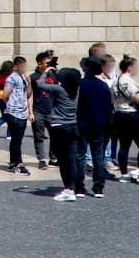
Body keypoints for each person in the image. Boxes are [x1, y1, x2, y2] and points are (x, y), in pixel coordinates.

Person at [111, 56, 139, 182]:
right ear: (129, 67)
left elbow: (112, 98)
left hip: (119, 113)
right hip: (130, 114)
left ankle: (124, 174)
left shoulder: (115, 80)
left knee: (124, 145)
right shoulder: (128, 81)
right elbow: (137, 98)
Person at [43, 63, 82, 200]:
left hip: (58, 127)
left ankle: (68, 189)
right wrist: (56, 71)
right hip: (72, 126)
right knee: (71, 159)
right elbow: (68, 77)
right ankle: (73, 188)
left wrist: (46, 72)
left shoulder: (59, 90)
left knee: (62, 160)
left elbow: (41, 84)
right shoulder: (76, 89)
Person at [76, 55, 114, 197]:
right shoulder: (103, 86)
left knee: (80, 155)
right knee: (98, 155)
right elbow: (108, 108)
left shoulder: (81, 85)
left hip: (82, 123)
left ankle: (79, 186)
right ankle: (98, 187)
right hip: (99, 124)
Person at [1, 55, 31, 175]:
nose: (24, 68)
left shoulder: (23, 78)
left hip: (22, 112)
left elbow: (28, 94)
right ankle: (18, 163)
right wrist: (11, 104)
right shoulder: (11, 78)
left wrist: (29, 82)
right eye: (22, 66)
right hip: (13, 113)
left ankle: (13, 162)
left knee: (17, 139)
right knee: (16, 139)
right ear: (15, 67)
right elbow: (5, 95)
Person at [30, 51, 57, 168]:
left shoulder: (53, 75)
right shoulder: (33, 77)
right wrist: (30, 112)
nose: (48, 65)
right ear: (39, 63)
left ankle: (53, 158)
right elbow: (29, 95)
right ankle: (41, 159)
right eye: (47, 63)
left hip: (52, 110)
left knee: (55, 135)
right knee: (39, 136)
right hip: (38, 110)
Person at [0, 58, 15, 138]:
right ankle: (7, 133)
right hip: (7, 97)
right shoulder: (10, 77)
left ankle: (8, 134)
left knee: (6, 114)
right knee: (10, 115)